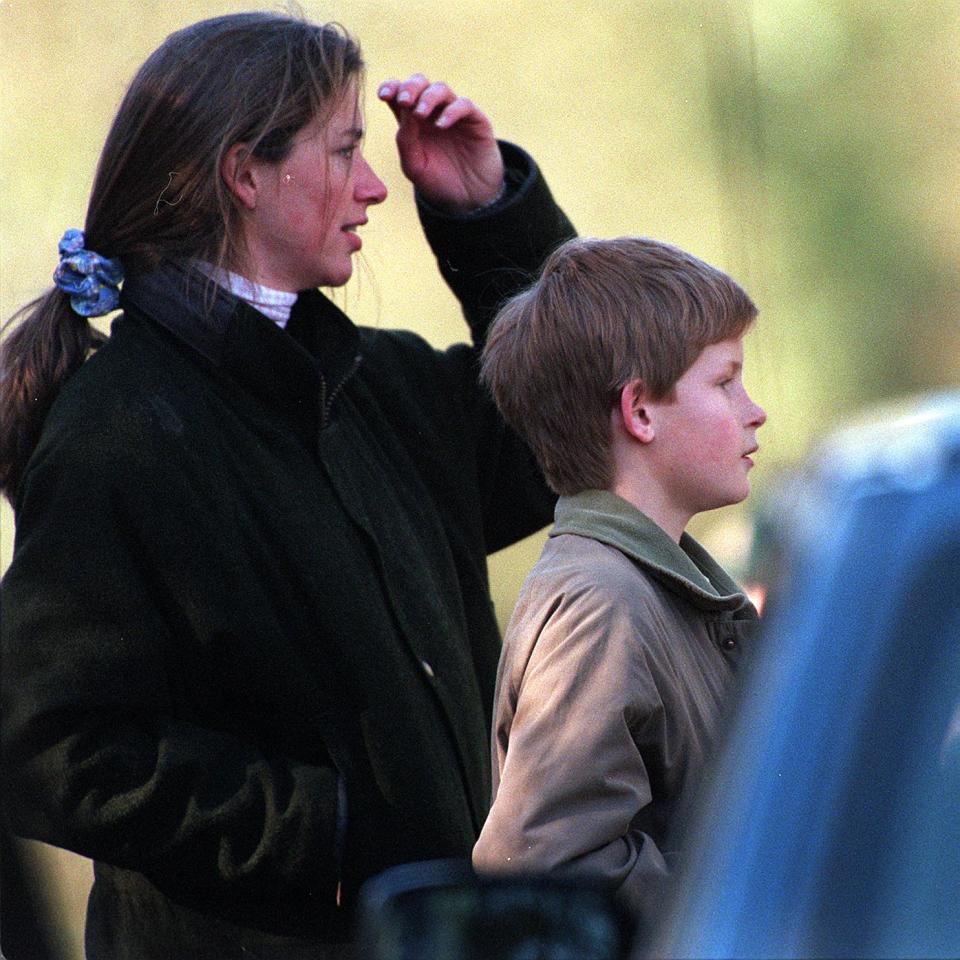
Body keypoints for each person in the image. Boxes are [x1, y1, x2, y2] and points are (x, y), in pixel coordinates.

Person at [0, 11, 574, 959]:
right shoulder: (118, 436)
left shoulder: (379, 389)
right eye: (346, 149)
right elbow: (48, 748)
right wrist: (333, 834)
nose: (376, 184)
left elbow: (570, 438)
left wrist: (488, 219)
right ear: (245, 174)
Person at [472, 236, 766, 937]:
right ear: (639, 412)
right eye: (725, 381)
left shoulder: (653, 588)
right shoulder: (600, 604)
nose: (754, 410)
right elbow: (545, 862)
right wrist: (749, 907)